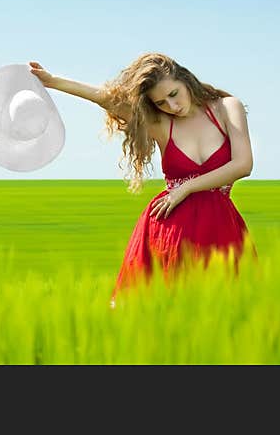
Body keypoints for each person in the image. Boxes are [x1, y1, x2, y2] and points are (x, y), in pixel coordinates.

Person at [28, 53, 254, 305]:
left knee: (227, 310)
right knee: (164, 314)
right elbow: (105, 98)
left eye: (174, 94)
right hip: (169, 232)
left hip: (220, 228)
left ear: (185, 79)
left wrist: (186, 188)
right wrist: (52, 81)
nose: (172, 106)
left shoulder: (226, 108)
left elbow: (243, 165)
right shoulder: (159, 124)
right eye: (161, 103)